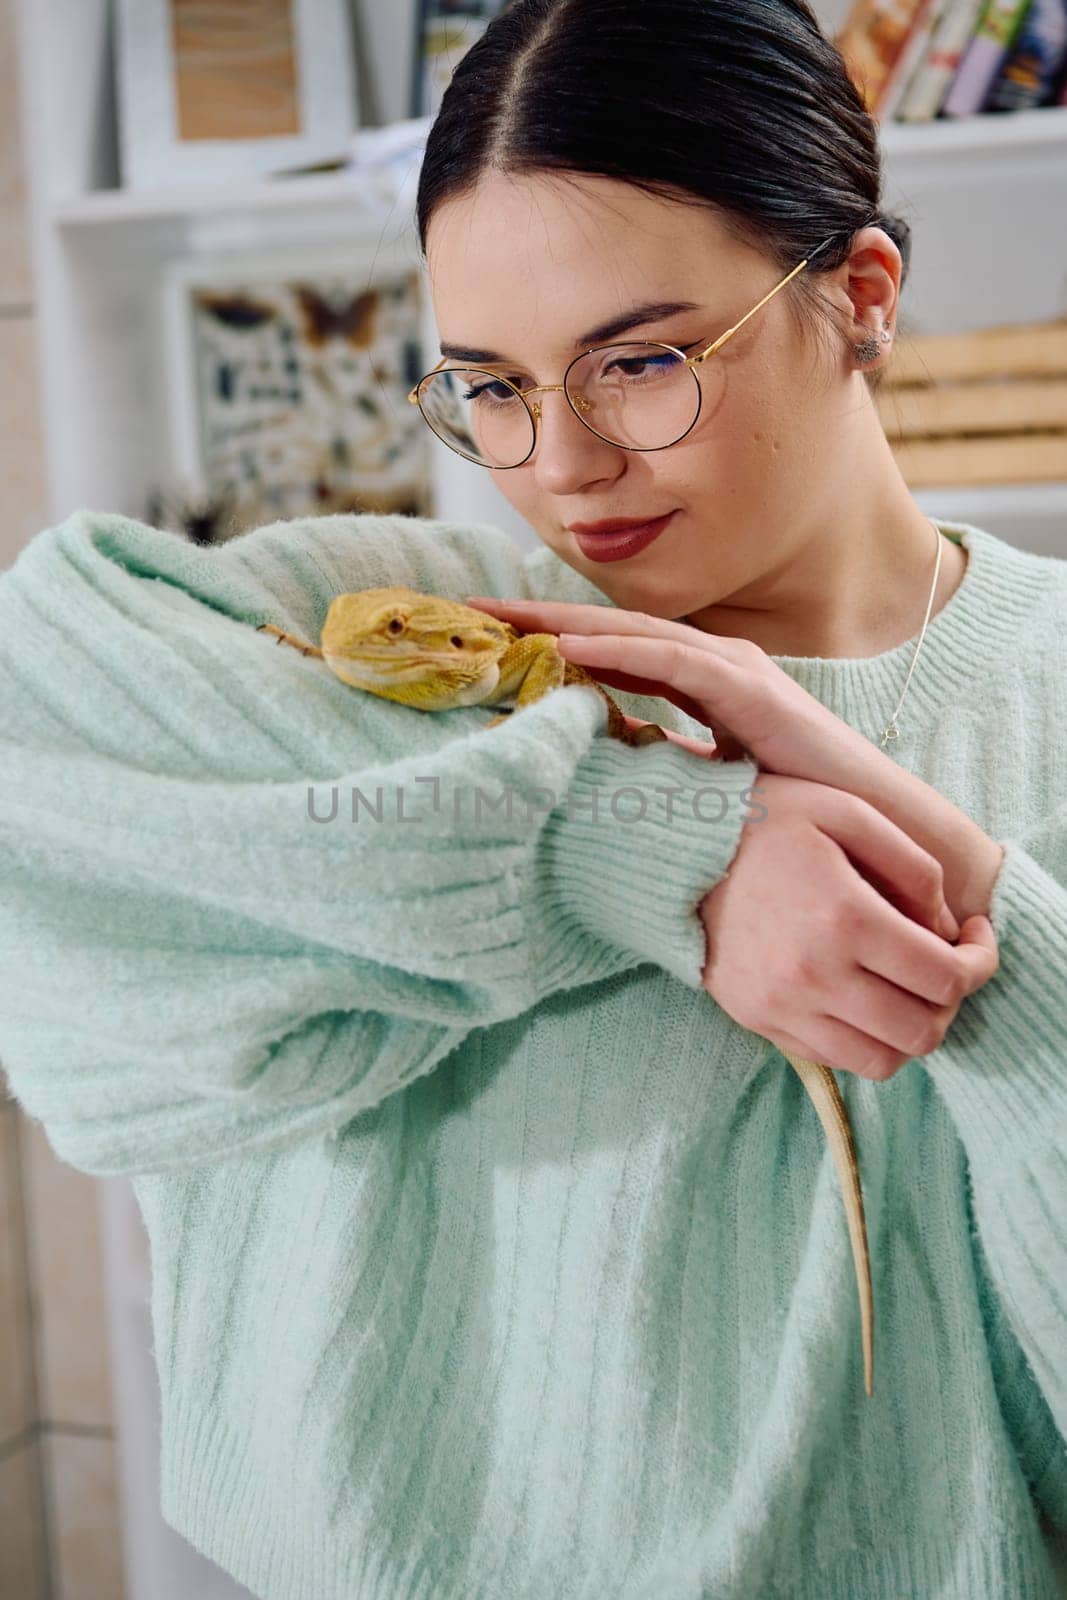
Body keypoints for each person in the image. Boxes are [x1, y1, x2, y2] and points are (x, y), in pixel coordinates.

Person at [0, 0, 1064, 1595]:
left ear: (859, 296)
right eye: (489, 385)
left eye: (639, 362)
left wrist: (979, 907)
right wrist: (652, 846)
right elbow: (45, 732)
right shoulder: (427, 633)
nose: (560, 463)